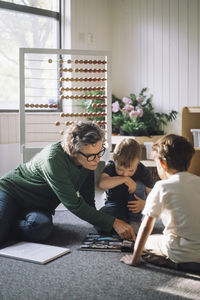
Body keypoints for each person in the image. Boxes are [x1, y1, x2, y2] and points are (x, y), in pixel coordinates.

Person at [0, 121, 135, 245]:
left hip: (39, 207)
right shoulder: (53, 158)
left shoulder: (88, 162)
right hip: (11, 192)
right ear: (73, 151)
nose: (97, 160)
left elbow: (88, 202)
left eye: (100, 153)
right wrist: (113, 222)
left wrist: (106, 226)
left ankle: (9, 220)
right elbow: (74, 205)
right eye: (91, 156)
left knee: (40, 230)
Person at [120, 134, 200, 273]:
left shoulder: (162, 186)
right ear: (189, 161)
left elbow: (146, 225)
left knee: (145, 244)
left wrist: (135, 259)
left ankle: (180, 264)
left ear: (162, 163)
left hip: (181, 252)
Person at [98, 138, 153, 234]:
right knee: (99, 218)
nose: (125, 174)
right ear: (114, 159)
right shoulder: (111, 166)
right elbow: (102, 184)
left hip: (137, 206)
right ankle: (124, 225)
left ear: (138, 162)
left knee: (138, 185)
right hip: (115, 205)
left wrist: (145, 204)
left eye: (131, 171)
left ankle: (134, 223)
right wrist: (125, 180)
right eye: (120, 170)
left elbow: (152, 196)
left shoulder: (143, 171)